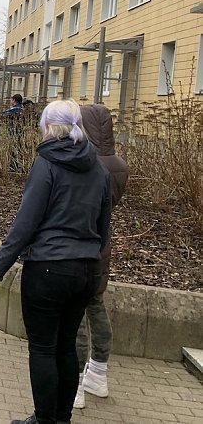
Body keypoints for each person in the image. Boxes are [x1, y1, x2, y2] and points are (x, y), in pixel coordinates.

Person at [0, 99, 111, 424]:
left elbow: (26, 221)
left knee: (42, 349)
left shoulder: (46, 162)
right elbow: (103, 226)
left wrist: (0, 263)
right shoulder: (98, 167)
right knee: (66, 347)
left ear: (46, 126)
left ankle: (44, 420)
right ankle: (61, 419)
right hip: (84, 270)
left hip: (47, 269)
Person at [73, 103, 129, 410]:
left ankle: (77, 383)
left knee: (77, 317)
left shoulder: (86, 162)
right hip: (102, 246)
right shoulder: (119, 166)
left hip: (79, 245)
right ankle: (99, 372)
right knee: (96, 307)